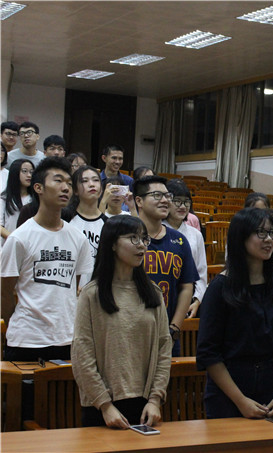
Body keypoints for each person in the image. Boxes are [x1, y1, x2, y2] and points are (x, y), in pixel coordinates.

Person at [196, 208, 273, 419]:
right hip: (229, 394)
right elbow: (209, 353)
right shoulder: (220, 287)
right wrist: (241, 401)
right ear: (241, 237)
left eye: (272, 233)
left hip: (272, 389)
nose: (269, 239)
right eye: (261, 233)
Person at [71, 215, 172, 429]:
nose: (141, 245)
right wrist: (105, 405)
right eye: (133, 238)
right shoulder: (92, 294)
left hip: (146, 405)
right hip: (102, 408)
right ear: (113, 244)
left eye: (144, 239)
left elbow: (164, 347)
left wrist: (155, 399)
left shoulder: (153, 293)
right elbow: (82, 354)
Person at [0, 157, 93, 361]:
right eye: (58, 181)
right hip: (26, 340)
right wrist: (14, 327)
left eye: (69, 183)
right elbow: (5, 293)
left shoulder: (78, 238)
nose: (65, 188)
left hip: (66, 338)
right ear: (38, 188)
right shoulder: (19, 238)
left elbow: (71, 288)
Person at [134, 175, 199, 355]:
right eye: (157, 195)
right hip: (130, 333)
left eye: (167, 196)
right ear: (139, 201)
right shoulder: (126, 237)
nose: (165, 200)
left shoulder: (179, 240)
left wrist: (175, 328)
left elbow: (186, 286)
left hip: (167, 335)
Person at [163, 179, 207, 318]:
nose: (183, 206)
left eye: (186, 202)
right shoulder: (157, 231)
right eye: (177, 201)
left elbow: (201, 271)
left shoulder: (196, 235)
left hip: (189, 299)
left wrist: (197, 300)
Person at [62, 166, 107, 285]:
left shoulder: (107, 224)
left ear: (101, 189)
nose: (91, 184)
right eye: (84, 181)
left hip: (96, 288)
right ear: (75, 190)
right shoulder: (65, 218)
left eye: (95, 180)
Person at [1, 159, 34, 245]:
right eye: (24, 171)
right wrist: (15, 239)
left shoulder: (35, 199)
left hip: (31, 244)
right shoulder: (4, 198)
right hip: (9, 244)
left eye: (31, 172)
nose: (29, 175)